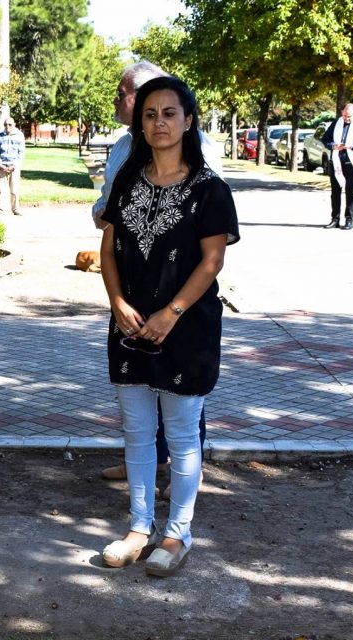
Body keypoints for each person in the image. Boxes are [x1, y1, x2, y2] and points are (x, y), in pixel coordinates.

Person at [97, 75, 239, 577]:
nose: (159, 122)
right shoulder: (128, 183)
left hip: (186, 326)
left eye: (170, 113)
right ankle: (138, 528)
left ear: (189, 120)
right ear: (141, 121)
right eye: (150, 114)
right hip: (130, 325)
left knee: (181, 435)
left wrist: (170, 312)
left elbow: (211, 262)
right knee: (136, 433)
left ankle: (178, 535)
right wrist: (116, 301)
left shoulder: (210, 190)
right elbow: (108, 248)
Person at [92, 60, 211, 486]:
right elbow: (108, 214)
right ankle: (145, 471)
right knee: (139, 401)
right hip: (133, 289)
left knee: (181, 401)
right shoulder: (125, 153)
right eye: (148, 112)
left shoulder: (201, 161)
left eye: (122, 92)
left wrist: (177, 307)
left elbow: (208, 244)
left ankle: (182, 485)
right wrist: (118, 298)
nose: (117, 101)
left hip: (180, 295)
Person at [319, 103, 353, 230]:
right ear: (342, 112)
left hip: (352, 162)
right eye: (344, 116)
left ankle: (349, 219)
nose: (346, 119)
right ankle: (335, 219)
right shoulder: (336, 123)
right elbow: (325, 139)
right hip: (336, 161)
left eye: (349, 116)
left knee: (350, 193)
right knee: (335, 192)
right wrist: (333, 145)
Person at [0, 117, 26, 215]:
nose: (7, 126)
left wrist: (13, 166)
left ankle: (15, 209)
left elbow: (21, 152)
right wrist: (0, 164)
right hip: (2, 166)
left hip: (14, 166)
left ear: (14, 124)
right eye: (5, 124)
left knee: (14, 189)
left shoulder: (20, 135)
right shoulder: (0, 135)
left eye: (10, 124)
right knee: (0, 188)